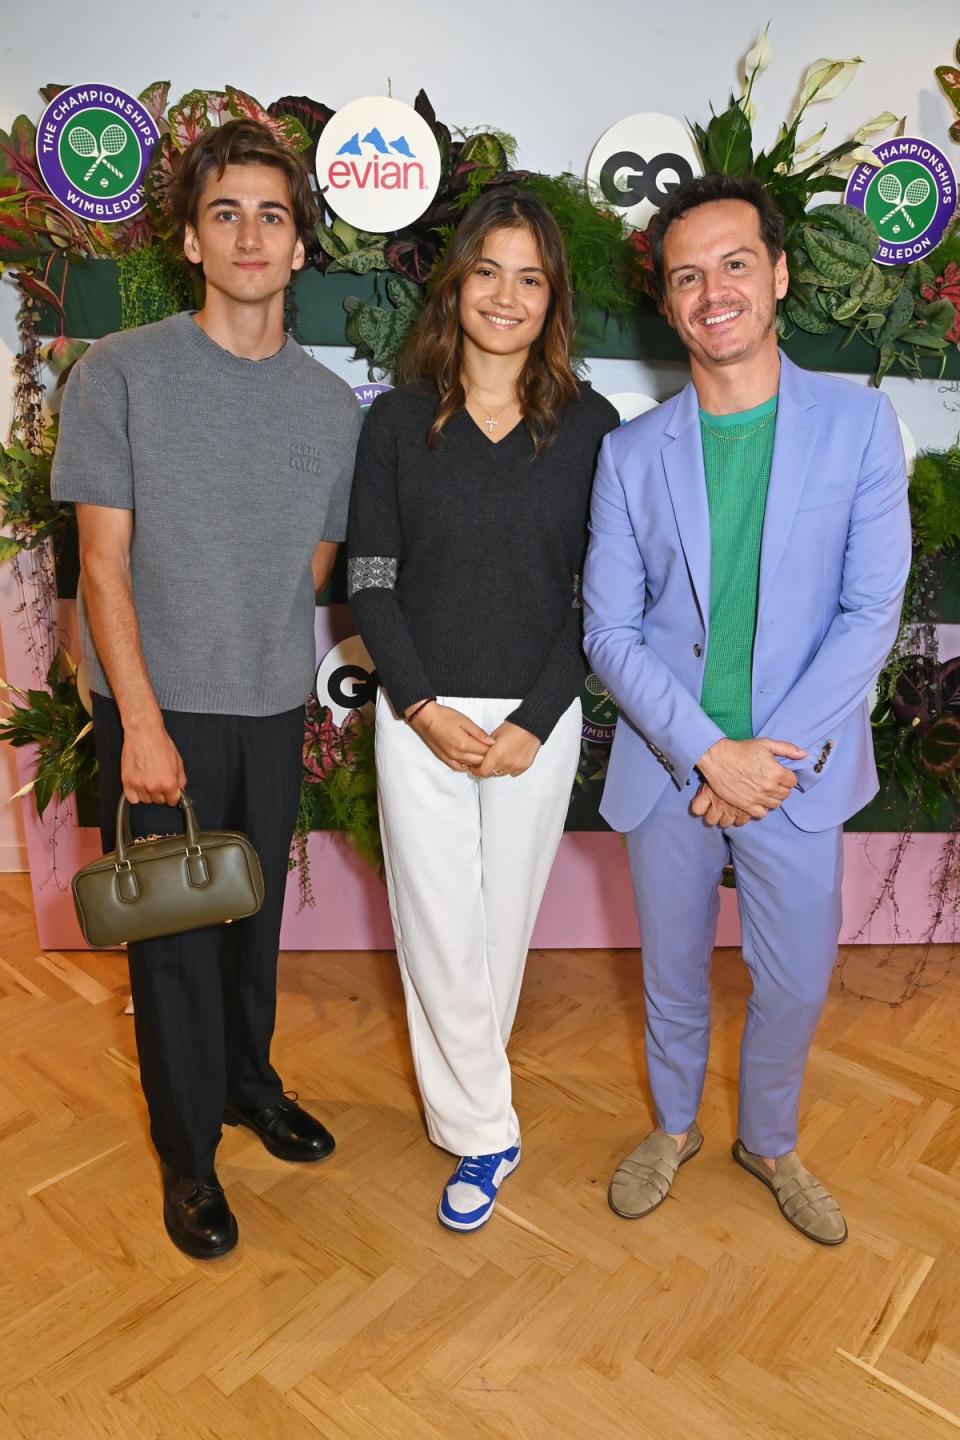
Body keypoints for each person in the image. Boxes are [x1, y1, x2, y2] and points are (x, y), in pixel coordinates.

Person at [51, 119, 362, 1259]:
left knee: (252, 920)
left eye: (272, 216)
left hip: (270, 702)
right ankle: (188, 1163)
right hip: (159, 706)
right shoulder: (121, 373)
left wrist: (257, 643)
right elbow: (101, 563)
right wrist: (139, 719)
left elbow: (318, 567)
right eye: (225, 211)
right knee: (175, 943)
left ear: (296, 249)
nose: (248, 234)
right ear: (190, 236)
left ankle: (248, 1082)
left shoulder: (333, 410)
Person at [583, 174, 910, 1244]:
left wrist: (766, 761)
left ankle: (767, 1140)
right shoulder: (631, 455)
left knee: (796, 984)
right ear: (668, 304)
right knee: (670, 976)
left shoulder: (860, 425)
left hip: (795, 776)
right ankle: (673, 1126)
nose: (712, 290)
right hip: (673, 768)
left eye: (734, 264)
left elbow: (870, 611)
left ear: (776, 275)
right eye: (687, 275)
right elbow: (609, 633)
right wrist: (707, 754)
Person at [347, 188, 618, 1231]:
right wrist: (417, 705)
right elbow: (371, 578)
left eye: (532, 278)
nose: (506, 296)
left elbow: (604, 596)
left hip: (534, 725)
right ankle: (484, 1134)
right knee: (438, 931)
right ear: (455, 284)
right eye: (488, 272)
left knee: (497, 934)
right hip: (421, 715)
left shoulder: (594, 427)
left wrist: (537, 718)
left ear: (554, 301)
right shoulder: (398, 421)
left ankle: (468, 1107)